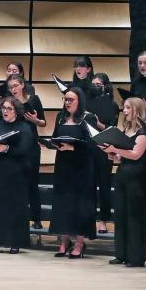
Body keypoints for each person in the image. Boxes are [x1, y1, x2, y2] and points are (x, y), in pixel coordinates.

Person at [100, 97, 146, 267]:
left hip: (138, 176)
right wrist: (113, 154)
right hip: (122, 174)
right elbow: (123, 156)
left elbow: (136, 154)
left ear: (137, 109)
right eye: (124, 108)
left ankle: (136, 257)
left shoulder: (144, 132)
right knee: (121, 215)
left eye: (128, 108)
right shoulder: (125, 130)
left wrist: (116, 149)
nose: (125, 111)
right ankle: (121, 254)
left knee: (135, 216)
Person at [49, 87, 97, 258]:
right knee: (63, 203)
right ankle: (64, 241)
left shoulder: (87, 118)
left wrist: (73, 147)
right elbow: (55, 136)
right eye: (66, 99)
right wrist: (52, 143)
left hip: (82, 167)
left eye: (71, 100)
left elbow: (93, 145)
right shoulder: (60, 117)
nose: (67, 103)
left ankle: (79, 243)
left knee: (80, 205)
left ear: (79, 101)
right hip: (63, 165)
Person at [0, 97, 34, 254]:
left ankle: (14, 242)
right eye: (3, 108)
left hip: (15, 172)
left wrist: (7, 150)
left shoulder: (24, 127)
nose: (5, 111)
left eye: (9, 108)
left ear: (16, 112)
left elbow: (25, 148)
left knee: (14, 208)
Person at [7, 74, 46, 229]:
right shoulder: (9, 102)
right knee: (15, 184)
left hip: (31, 147)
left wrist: (34, 120)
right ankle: (16, 219)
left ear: (22, 85)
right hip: (15, 146)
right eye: (10, 87)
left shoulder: (33, 99)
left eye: (16, 86)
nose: (13, 89)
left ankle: (36, 219)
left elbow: (43, 123)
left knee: (32, 183)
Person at [87, 73, 120, 233]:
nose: (95, 87)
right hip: (89, 147)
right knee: (89, 185)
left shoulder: (112, 105)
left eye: (98, 84)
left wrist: (96, 121)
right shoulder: (87, 102)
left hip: (105, 147)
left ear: (105, 86)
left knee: (105, 185)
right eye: (93, 84)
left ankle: (103, 220)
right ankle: (89, 217)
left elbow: (110, 128)